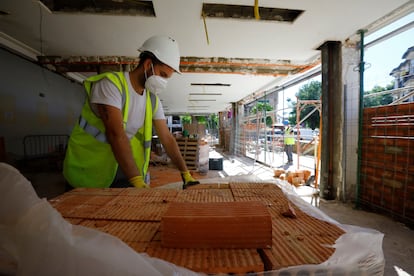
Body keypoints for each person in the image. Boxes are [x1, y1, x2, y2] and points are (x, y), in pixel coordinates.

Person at [63, 35, 199, 189]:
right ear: (148, 64)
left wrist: (185, 173)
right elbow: (116, 134)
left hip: (121, 168)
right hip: (89, 168)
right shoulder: (111, 85)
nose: (164, 82)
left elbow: (167, 139)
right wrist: (137, 181)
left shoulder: (152, 100)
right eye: (162, 75)